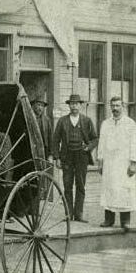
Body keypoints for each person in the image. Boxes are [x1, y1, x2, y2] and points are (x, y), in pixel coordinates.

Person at [52, 94, 98, 223]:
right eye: (72, 104)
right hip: (67, 157)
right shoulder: (62, 121)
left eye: (76, 104)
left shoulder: (86, 121)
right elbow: (55, 140)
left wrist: (88, 147)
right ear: (69, 106)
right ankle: (68, 214)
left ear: (80, 105)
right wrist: (57, 157)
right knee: (67, 186)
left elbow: (95, 139)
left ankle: (79, 214)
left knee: (80, 185)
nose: (74, 106)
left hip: (81, 157)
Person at [97, 96, 136, 231]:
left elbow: (135, 144)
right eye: (113, 106)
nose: (115, 108)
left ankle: (125, 221)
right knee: (109, 189)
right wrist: (100, 161)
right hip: (109, 163)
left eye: (117, 106)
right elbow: (101, 144)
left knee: (124, 190)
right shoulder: (106, 124)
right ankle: (109, 219)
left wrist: (133, 163)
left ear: (123, 106)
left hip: (123, 163)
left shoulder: (130, 124)